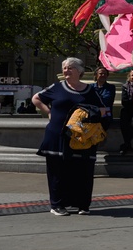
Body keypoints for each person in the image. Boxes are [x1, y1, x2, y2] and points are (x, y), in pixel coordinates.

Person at [32, 57, 109, 215]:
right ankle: (57, 205)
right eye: (65, 68)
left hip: (83, 138)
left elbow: (104, 110)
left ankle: (82, 204)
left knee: (83, 172)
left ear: (79, 71)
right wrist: (48, 112)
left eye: (70, 68)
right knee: (57, 172)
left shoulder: (91, 91)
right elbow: (36, 98)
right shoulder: (57, 87)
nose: (66, 70)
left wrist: (87, 113)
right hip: (57, 135)